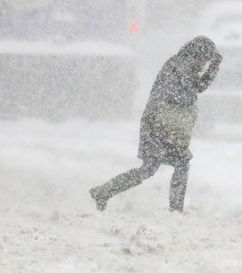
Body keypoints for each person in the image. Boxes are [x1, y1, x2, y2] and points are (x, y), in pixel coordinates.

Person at [90, 36, 222, 212]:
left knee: (167, 165)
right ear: (199, 54)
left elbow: (196, 87)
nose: (205, 63)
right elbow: (191, 90)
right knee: (159, 166)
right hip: (158, 126)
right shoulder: (179, 66)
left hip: (165, 126)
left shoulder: (181, 65)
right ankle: (105, 192)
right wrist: (212, 70)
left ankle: (105, 192)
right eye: (206, 59)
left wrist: (213, 68)